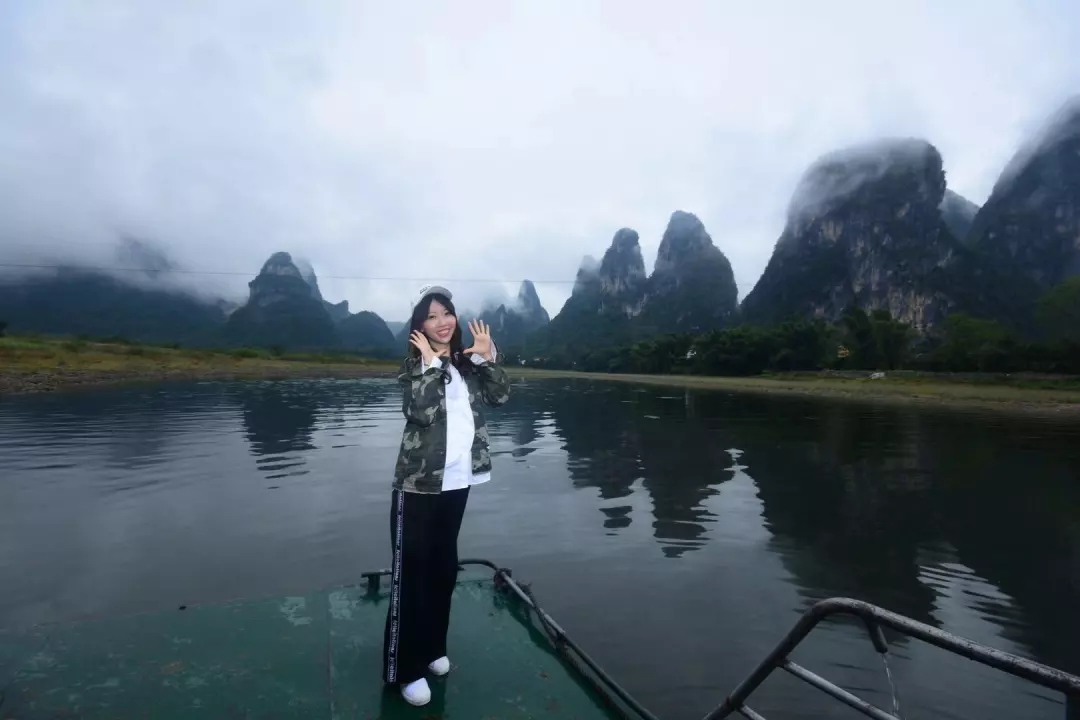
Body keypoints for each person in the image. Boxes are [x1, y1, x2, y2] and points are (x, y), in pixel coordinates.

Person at [381, 284, 512, 706]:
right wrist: (433, 365)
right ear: (420, 326)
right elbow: (420, 412)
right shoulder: (415, 366)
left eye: (447, 313)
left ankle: (433, 648)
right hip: (419, 485)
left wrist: (487, 357)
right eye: (431, 316)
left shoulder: (466, 364)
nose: (442, 322)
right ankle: (404, 669)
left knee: (443, 570)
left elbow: (500, 396)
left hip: (458, 482)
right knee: (412, 576)